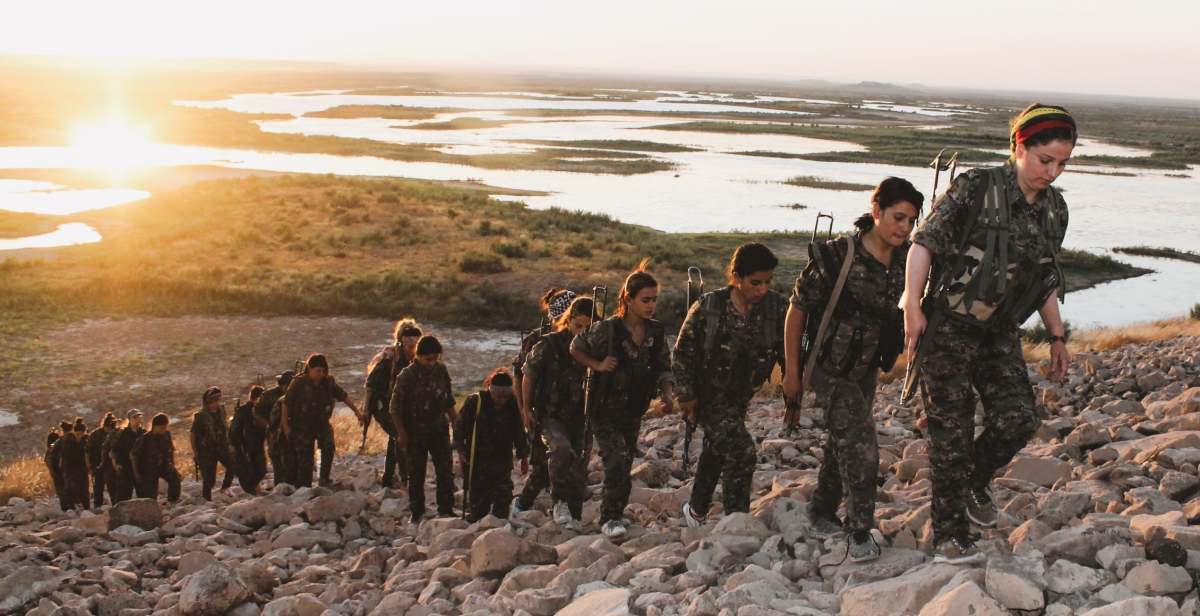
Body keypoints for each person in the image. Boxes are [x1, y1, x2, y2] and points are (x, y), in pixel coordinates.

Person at [902, 104, 1075, 563]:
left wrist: (1057, 337)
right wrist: (913, 307)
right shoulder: (977, 187)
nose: (1053, 172)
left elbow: (1044, 280)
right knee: (951, 433)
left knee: (1018, 419)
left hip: (999, 333)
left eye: (1062, 163)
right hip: (950, 328)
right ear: (1019, 147)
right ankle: (949, 532)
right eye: (1045, 161)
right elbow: (923, 243)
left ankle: (973, 481)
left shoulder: (1055, 210)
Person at [783, 178, 923, 563]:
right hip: (828, 368)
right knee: (861, 442)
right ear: (876, 211)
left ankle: (821, 512)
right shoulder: (836, 257)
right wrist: (793, 374)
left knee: (841, 438)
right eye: (898, 217)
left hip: (865, 368)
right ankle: (859, 532)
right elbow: (796, 311)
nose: (903, 228)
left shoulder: (907, 260)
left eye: (911, 221)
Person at [676, 244, 787, 526]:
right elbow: (682, 353)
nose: (762, 289)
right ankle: (736, 521)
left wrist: (792, 386)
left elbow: (789, 344)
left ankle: (697, 509)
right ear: (737, 277)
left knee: (716, 448)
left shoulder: (775, 307)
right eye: (755, 283)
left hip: (740, 396)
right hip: (707, 396)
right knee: (741, 450)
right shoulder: (709, 307)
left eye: (767, 282)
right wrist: (686, 396)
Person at [571, 260, 675, 539]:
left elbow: (664, 366)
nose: (651, 305)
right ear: (628, 300)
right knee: (616, 459)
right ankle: (609, 518)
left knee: (625, 461)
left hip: (633, 408)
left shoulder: (655, 331)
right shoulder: (608, 329)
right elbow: (576, 347)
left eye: (654, 300)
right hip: (604, 409)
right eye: (645, 300)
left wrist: (666, 393)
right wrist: (598, 364)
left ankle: (616, 512)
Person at [521, 296, 594, 526]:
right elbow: (528, 375)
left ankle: (573, 514)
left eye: (588, 327)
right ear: (569, 321)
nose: (582, 332)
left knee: (577, 464)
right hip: (550, 414)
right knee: (561, 451)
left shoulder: (596, 347)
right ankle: (558, 502)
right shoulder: (548, 344)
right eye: (578, 326)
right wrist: (526, 408)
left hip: (580, 416)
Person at [512, 288, 577, 515]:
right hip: (543, 411)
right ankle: (524, 504)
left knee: (570, 462)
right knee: (542, 465)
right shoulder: (538, 340)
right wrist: (524, 409)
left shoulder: (582, 336)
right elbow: (521, 375)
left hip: (572, 411)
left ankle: (559, 504)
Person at [389, 335, 456, 520]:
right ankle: (417, 511)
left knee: (444, 470)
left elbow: (449, 401)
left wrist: (457, 425)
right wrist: (402, 434)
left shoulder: (441, 371)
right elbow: (394, 408)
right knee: (416, 473)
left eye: (435, 358)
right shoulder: (406, 376)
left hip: (439, 430)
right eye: (428, 359)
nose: (432, 363)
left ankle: (445, 509)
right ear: (418, 356)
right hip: (415, 432)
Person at [454, 369, 530, 522]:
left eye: (505, 397)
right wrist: (461, 452)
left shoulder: (512, 404)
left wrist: (523, 457)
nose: (501, 400)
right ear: (490, 389)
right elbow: (459, 430)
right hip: (477, 461)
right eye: (498, 396)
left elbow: (519, 432)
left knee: (503, 501)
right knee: (479, 505)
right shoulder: (475, 402)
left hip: (502, 461)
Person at [280, 354, 361, 488]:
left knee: (329, 447)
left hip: (322, 423)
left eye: (323, 371)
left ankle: (324, 479)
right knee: (306, 458)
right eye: (318, 371)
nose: (321, 374)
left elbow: (343, 396)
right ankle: (304, 487)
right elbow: (286, 404)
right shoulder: (298, 383)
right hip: (302, 426)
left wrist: (357, 412)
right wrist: (286, 427)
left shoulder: (328, 382)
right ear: (309, 369)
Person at [364, 318, 422, 488]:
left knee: (397, 437)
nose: (411, 339)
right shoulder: (390, 358)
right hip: (382, 404)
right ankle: (403, 479)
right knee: (400, 435)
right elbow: (370, 384)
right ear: (401, 338)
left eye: (414, 335)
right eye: (407, 335)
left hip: (400, 406)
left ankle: (390, 478)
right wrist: (366, 409)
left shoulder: (418, 358)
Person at [190, 387, 237, 500]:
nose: (216, 403)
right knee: (209, 479)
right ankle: (207, 500)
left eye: (218, 400)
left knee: (232, 466)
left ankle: (225, 487)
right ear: (208, 402)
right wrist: (196, 452)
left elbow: (225, 426)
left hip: (222, 447)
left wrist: (230, 443)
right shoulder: (200, 416)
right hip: (207, 451)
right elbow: (193, 434)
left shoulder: (221, 410)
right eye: (214, 401)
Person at [131, 413, 182, 503]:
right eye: (162, 428)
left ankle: (172, 501)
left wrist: (172, 465)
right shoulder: (144, 438)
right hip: (148, 469)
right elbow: (133, 455)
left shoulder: (166, 435)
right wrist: (136, 474)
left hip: (163, 465)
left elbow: (171, 451)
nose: (164, 430)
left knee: (175, 478)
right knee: (150, 494)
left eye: (165, 427)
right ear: (155, 426)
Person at [230, 385, 268, 494]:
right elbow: (234, 429)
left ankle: (255, 488)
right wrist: (235, 445)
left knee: (261, 469)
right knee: (248, 470)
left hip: (257, 444)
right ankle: (252, 490)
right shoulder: (243, 410)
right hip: (245, 446)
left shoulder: (260, 410)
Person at [260, 370, 296, 486]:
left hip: (288, 433)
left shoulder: (295, 394)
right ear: (283, 384)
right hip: (274, 435)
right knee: (278, 463)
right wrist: (269, 425)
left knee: (291, 461)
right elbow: (257, 413)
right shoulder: (268, 396)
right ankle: (280, 488)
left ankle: (290, 487)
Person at [105, 409, 145, 503]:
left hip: (141, 468)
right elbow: (113, 451)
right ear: (129, 419)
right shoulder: (122, 434)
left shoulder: (143, 433)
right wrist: (116, 466)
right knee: (123, 496)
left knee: (143, 494)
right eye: (134, 417)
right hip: (126, 468)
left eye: (138, 417)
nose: (137, 419)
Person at [86, 413, 117, 508]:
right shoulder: (95, 435)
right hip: (97, 465)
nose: (109, 430)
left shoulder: (115, 433)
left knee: (113, 488)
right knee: (98, 488)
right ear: (105, 426)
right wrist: (89, 467)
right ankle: (97, 508)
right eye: (108, 428)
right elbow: (87, 451)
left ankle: (116, 506)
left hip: (110, 466)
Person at [59, 418, 91, 510]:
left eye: (81, 434)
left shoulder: (86, 440)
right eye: (77, 434)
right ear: (74, 432)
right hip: (70, 468)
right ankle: (67, 508)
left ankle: (86, 508)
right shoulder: (67, 441)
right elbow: (63, 456)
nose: (79, 436)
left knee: (84, 488)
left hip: (82, 468)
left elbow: (88, 454)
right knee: (70, 488)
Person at [44, 429, 64, 509]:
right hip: (62, 471)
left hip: (57, 472)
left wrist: (52, 472)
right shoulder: (60, 446)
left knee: (60, 488)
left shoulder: (50, 449)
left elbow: (48, 461)